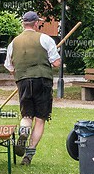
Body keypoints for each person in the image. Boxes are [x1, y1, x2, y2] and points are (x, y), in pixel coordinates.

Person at [4, 11, 61, 165]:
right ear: (36, 23)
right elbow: (56, 63)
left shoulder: (13, 43)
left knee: (26, 116)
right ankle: (29, 155)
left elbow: (10, 67)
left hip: (23, 81)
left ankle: (23, 132)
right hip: (42, 81)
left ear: (23, 23)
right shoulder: (45, 39)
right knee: (40, 119)